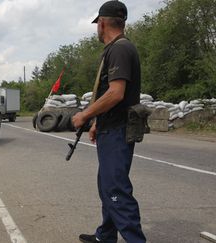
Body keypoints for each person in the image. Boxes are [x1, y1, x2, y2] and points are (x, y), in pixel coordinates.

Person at [72, 1, 146, 242]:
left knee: (115, 189)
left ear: (102, 23)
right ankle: (105, 235)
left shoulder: (120, 49)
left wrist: (85, 115)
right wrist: (97, 124)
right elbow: (114, 95)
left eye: (97, 25)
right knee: (108, 185)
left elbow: (116, 93)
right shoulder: (117, 48)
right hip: (111, 127)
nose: (97, 29)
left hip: (118, 131)